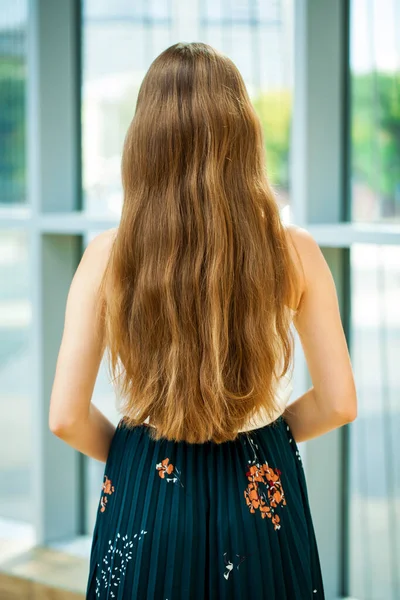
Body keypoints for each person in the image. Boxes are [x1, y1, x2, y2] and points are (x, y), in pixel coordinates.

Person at [49, 42, 357, 600]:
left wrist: (133, 453)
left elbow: (66, 416)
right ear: (245, 136)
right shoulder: (295, 253)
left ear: (144, 143)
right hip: (260, 486)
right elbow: (339, 402)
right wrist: (271, 438)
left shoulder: (106, 257)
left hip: (146, 487)